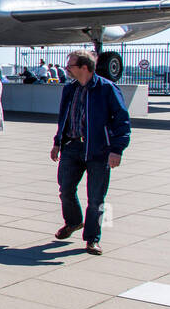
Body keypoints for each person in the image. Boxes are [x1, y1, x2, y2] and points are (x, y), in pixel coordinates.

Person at [51, 49, 131, 255]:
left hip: (99, 150)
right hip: (72, 147)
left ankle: (92, 239)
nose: (67, 69)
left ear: (84, 67)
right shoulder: (70, 89)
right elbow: (64, 118)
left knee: (96, 199)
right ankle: (73, 222)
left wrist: (117, 149)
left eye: (71, 65)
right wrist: (58, 142)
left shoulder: (107, 89)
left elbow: (122, 120)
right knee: (65, 189)